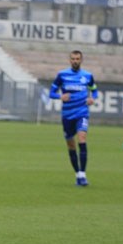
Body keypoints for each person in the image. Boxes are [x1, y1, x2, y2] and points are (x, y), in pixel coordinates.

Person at [49, 50, 98, 187]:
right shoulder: (62, 75)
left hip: (82, 113)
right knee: (71, 145)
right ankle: (77, 174)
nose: (75, 61)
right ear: (69, 60)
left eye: (77, 59)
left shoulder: (88, 76)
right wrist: (60, 96)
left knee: (82, 138)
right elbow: (51, 93)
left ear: (81, 60)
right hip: (67, 115)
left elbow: (94, 90)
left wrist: (92, 98)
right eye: (73, 59)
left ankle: (83, 174)